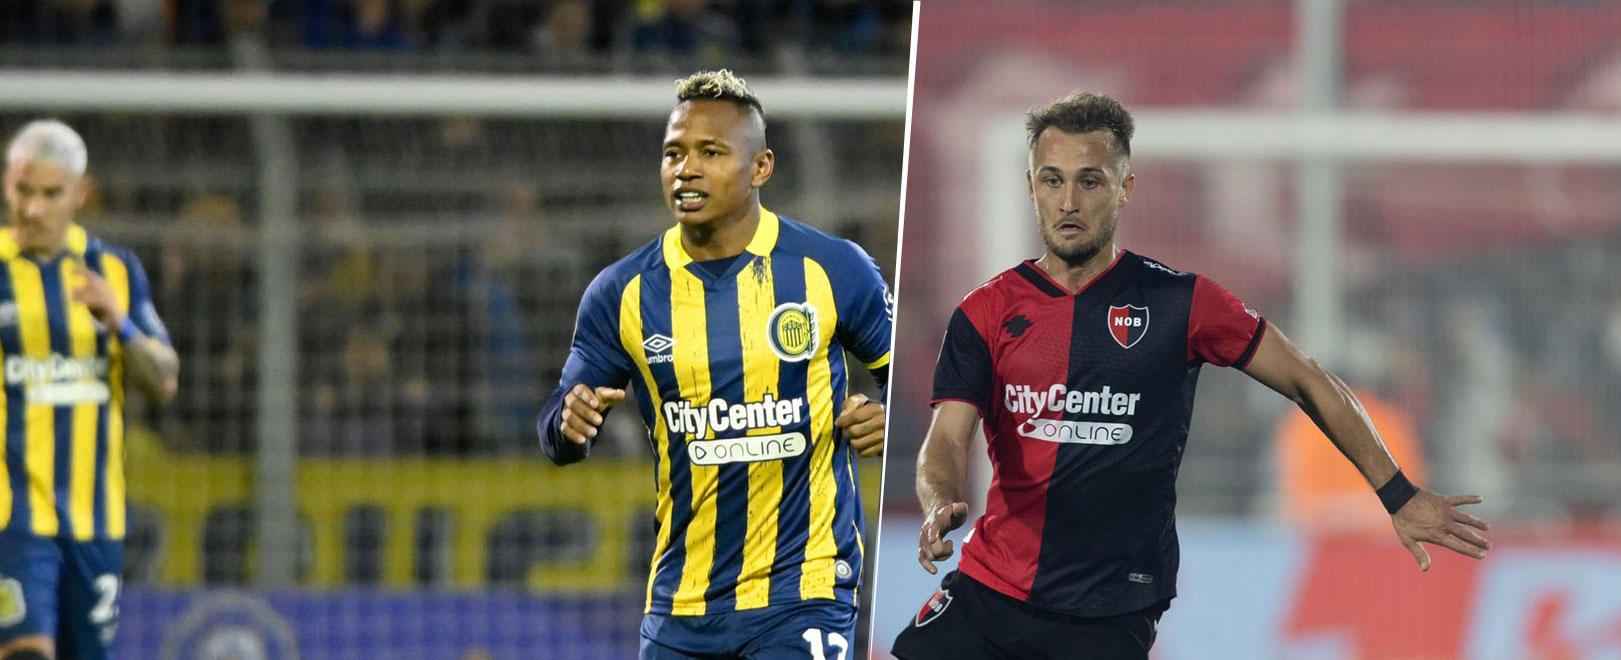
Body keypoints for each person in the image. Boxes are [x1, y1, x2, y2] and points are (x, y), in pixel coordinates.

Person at [894, 93, 1490, 660]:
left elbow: (1309, 380)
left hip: (1109, 612)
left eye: (1089, 181)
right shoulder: (985, 312)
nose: (1068, 201)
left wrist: (1397, 494)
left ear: (1125, 188)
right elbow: (947, 438)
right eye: (1052, 180)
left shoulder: (1183, 303)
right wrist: (938, 502)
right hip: (992, 588)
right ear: (1030, 186)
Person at [535, 70, 893, 660]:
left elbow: (926, 390)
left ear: (761, 167)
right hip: (681, 604)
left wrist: (888, 418)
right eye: (673, 153)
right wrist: (569, 423)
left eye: (711, 152)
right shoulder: (622, 293)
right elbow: (557, 431)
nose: (687, 169)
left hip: (804, 591)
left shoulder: (832, 269)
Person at [0, 119, 181, 660]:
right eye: (22, 190)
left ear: (81, 193)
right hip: (12, 519)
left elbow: (164, 381)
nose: (33, 209)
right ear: (7, 184)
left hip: (95, 520)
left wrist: (119, 324)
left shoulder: (115, 270)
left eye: (50, 194)